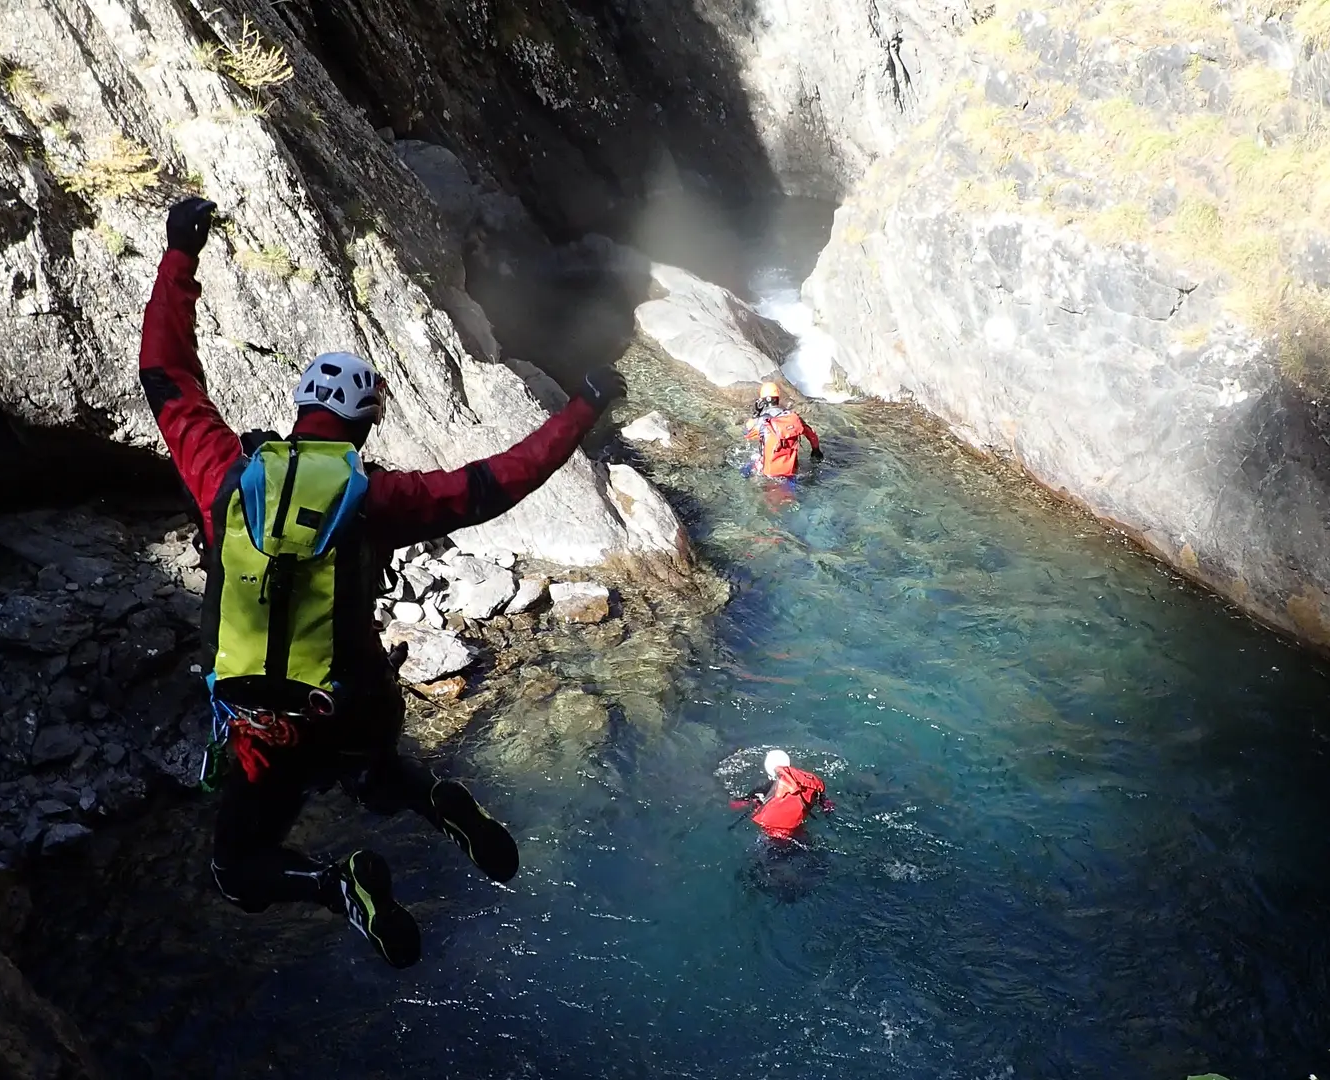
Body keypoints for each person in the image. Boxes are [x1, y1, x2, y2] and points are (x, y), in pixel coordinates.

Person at [140, 196, 627, 969]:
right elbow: (499, 482)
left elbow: (166, 374)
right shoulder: (375, 498)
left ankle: (338, 888)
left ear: (298, 408)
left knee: (238, 866)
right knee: (372, 772)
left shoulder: (224, 477)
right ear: (365, 429)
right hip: (353, 704)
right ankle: (435, 802)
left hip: (263, 723)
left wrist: (181, 257)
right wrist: (582, 408)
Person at [731, 749, 833, 840]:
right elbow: (828, 805)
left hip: (774, 835)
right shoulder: (805, 784)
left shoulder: (763, 789)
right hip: (798, 829)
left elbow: (736, 805)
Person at [743, 382, 822, 479]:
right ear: (777, 399)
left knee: (745, 470)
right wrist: (816, 450)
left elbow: (746, 433)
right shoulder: (793, 418)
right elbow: (811, 434)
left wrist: (756, 414)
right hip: (791, 473)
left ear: (762, 401)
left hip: (768, 473)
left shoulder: (761, 421)